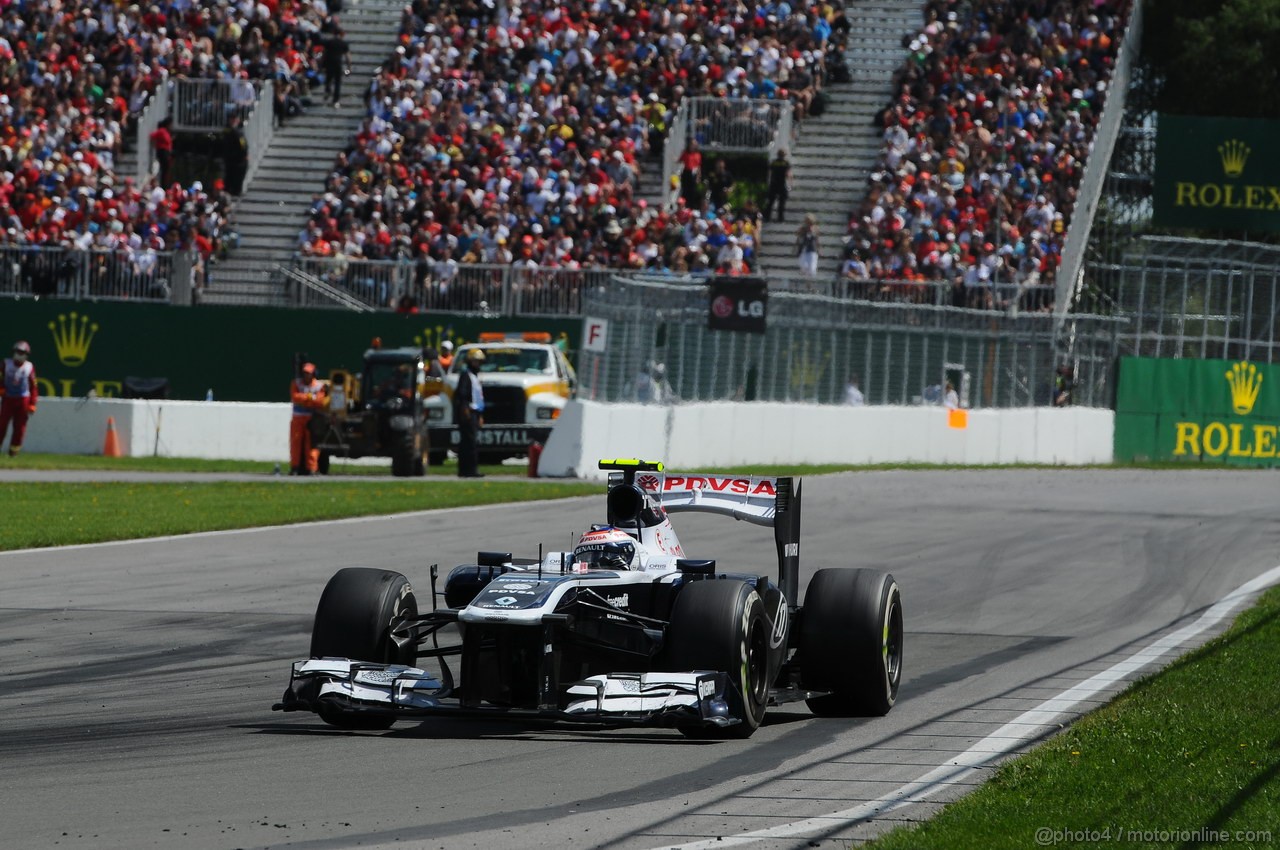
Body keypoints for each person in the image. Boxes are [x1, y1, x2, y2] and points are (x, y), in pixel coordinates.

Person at [289, 362, 328, 475]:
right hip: (298, 418)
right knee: (295, 443)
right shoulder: (296, 383)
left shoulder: (319, 386)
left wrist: (305, 399)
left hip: (312, 419)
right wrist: (310, 398)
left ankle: (311, 468)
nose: (307, 376)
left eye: (309, 373)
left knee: (311, 444)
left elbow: (320, 401)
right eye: (305, 373)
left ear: (314, 374)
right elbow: (295, 397)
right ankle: (295, 467)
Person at [0, 341, 38, 457]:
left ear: (27, 354)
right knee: (2, 424)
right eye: (18, 352)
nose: (20, 355)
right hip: (8, 399)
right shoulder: (6, 364)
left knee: (20, 427)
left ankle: (14, 451)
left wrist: (32, 403)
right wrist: (1, 389)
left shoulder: (29, 367)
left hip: (23, 399)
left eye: (23, 353)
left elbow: (34, 387)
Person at [453, 348, 486, 478]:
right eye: (474, 361)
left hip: (475, 412)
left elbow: (478, 397)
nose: (477, 364)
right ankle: (468, 470)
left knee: (471, 442)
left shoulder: (475, 377)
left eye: (479, 362)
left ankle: (468, 469)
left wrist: (480, 415)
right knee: (468, 443)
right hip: (467, 412)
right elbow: (462, 394)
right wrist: (464, 409)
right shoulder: (465, 375)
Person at [322, 28, 352, 107]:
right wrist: (349, 68)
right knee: (337, 82)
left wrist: (322, 64)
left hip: (329, 63)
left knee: (328, 79)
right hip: (338, 64)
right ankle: (335, 100)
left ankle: (327, 91)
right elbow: (348, 57)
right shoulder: (343, 43)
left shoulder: (329, 42)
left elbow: (324, 53)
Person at [223, 114, 249, 195]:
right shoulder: (228, 130)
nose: (233, 121)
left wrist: (245, 154)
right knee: (230, 176)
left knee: (238, 177)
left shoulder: (238, 131)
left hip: (239, 159)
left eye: (235, 119)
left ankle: (236, 191)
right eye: (232, 119)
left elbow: (243, 145)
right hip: (230, 158)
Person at [764, 149, 791, 223]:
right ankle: (780, 218)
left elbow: (770, 173)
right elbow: (788, 174)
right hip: (782, 184)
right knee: (782, 202)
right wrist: (790, 184)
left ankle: (767, 217)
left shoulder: (773, 162)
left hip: (774, 184)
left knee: (770, 202)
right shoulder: (786, 163)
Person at [149, 118, 173, 187]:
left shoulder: (167, 132)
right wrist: (154, 145)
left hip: (167, 153)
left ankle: (165, 185)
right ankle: (163, 185)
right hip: (163, 152)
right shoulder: (162, 131)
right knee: (164, 170)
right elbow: (152, 135)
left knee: (167, 170)